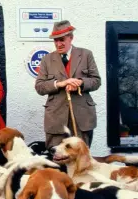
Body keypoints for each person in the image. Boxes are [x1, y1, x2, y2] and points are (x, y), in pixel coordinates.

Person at [35, 20, 101, 148]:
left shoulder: (86, 54)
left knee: (81, 160)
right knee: (56, 160)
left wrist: (80, 83)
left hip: (82, 118)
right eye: (55, 40)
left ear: (71, 38)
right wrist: (60, 84)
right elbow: (39, 87)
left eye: (62, 39)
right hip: (56, 119)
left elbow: (96, 81)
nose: (58, 44)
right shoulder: (47, 60)